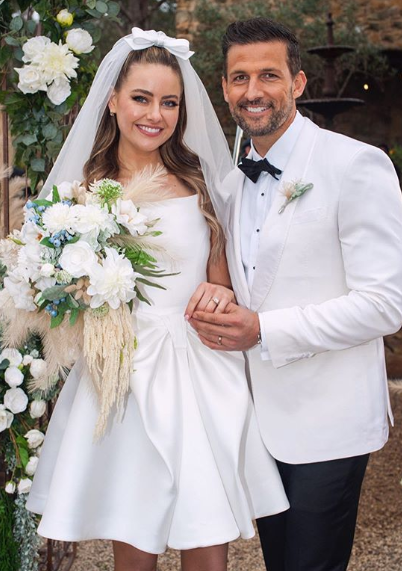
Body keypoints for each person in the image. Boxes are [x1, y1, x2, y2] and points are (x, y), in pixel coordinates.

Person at [26, 28, 289, 571]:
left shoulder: (198, 180)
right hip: (122, 375)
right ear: (114, 100)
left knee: (207, 542)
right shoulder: (81, 194)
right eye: (142, 98)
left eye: (170, 101)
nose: (156, 113)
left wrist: (219, 293)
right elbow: (54, 294)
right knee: (134, 540)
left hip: (198, 373)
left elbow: (222, 280)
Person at [188, 17, 402, 571]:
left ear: (299, 83)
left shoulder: (355, 164)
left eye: (268, 76)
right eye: (239, 78)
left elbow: (385, 303)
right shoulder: (232, 185)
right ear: (226, 87)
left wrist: (264, 329)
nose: (253, 92)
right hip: (260, 423)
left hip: (331, 421)